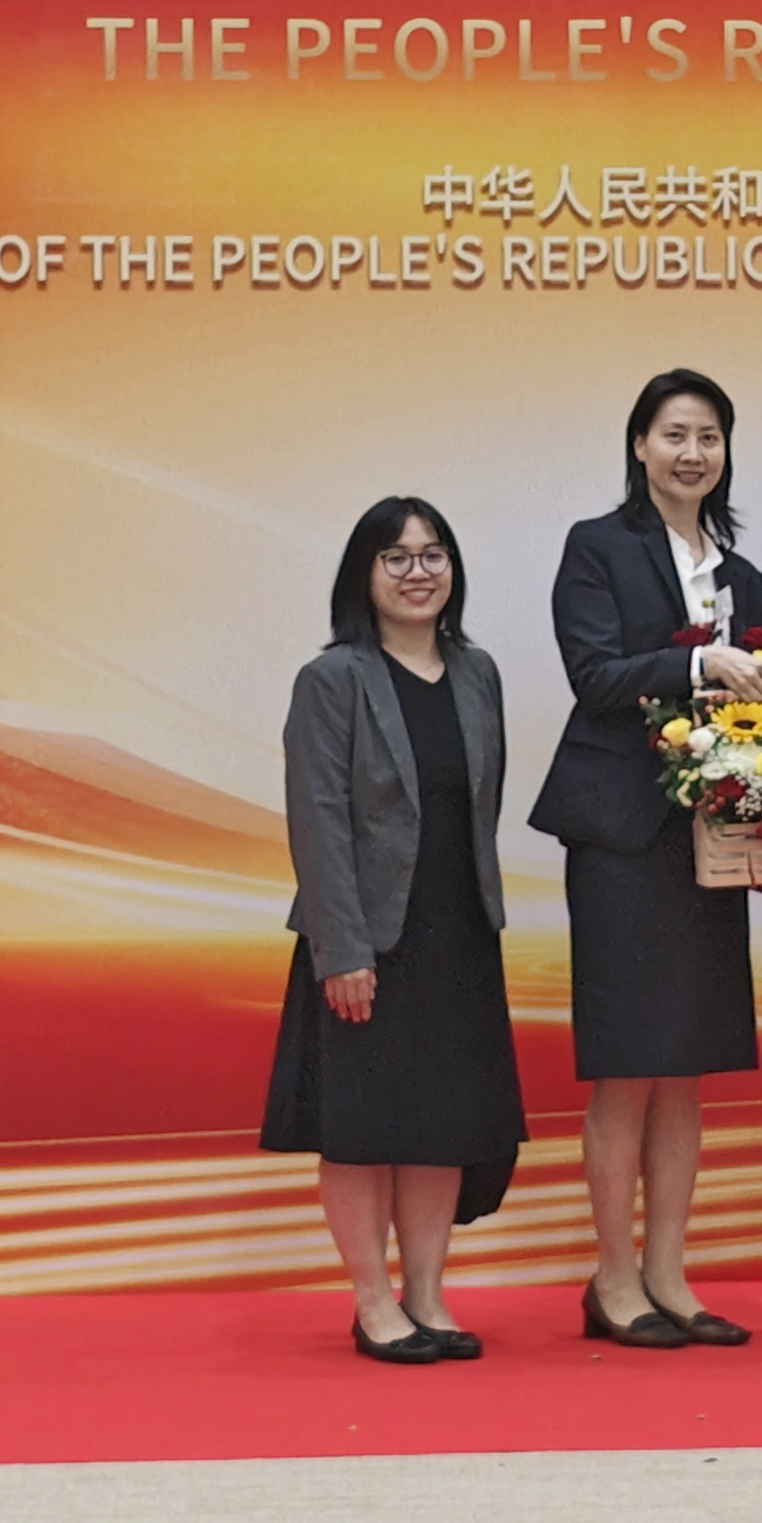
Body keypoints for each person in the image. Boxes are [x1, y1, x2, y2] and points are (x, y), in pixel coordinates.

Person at [529, 368, 762, 1350]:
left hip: (706, 843)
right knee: (627, 1067)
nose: (691, 453)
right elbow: (592, 676)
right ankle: (612, 1279)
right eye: (673, 434)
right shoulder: (596, 547)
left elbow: (757, 707)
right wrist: (696, 663)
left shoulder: (742, 573)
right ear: (639, 445)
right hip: (623, 836)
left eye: (708, 436)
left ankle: (670, 1275)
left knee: (686, 1069)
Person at [259, 497, 524, 1364]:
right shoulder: (332, 679)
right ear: (363, 576)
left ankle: (428, 1294)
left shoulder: (477, 671)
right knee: (365, 1127)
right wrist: (344, 948)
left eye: (433, 554)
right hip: (367, 937)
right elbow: (319, 820)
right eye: (397, 557)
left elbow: (477, 806)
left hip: (458, 933)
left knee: (440, 1123)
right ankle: (372, 1301)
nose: (419, 572)